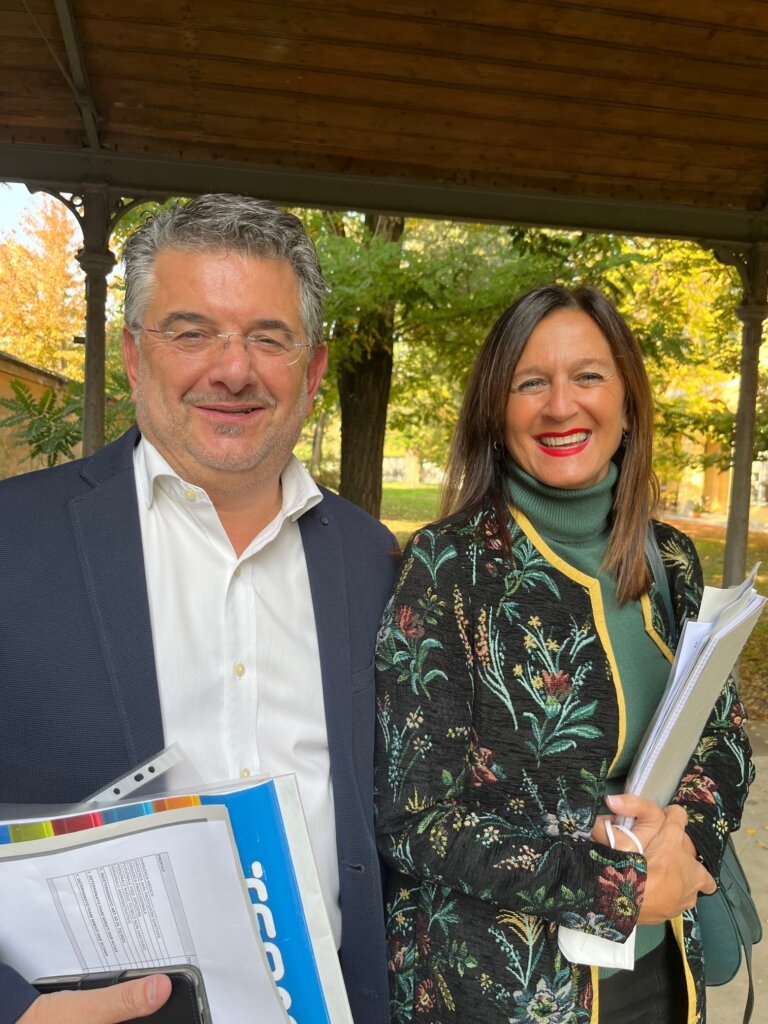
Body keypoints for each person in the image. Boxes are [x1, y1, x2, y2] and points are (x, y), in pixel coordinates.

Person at [0, 194, 397, 1024]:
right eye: (191, 332)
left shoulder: (371, 561)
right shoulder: (14, 541)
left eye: (269, 338)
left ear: (313, 370)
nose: (233, 370)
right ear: (134, 354)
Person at [374, 284, 753, 1024]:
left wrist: (686, 845)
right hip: (497, 991)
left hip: (660, 970)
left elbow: (723, 738)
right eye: (530, 383)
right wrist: (613, 885)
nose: (560, 406)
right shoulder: (448, 568)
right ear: (495, 409)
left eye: (587, 376)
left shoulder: (670, 559)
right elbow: (415, 822)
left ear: (627, 401)